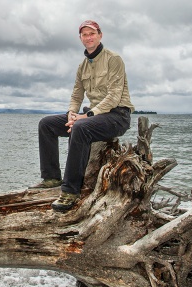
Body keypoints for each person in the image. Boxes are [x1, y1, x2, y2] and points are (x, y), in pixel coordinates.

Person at [30, 20, 135, 212]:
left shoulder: (114, 59)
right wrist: (72, 113)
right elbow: (77, 94)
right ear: (81, 38)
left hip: (117, 116)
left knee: (80, 127)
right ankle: (52, 178)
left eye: (92, 33)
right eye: (84, 34)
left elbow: (113, 97)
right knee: (46, 124)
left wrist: (84, 116)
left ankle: (70, 191)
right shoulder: (82, 66)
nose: (88, 37)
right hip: (92, 115)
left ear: (100, 35)